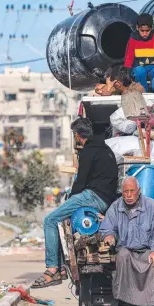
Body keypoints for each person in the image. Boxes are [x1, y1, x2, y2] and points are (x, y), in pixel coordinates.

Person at [32, 118, 118, 289]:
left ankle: (52, 269)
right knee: (63, 222)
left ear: (78, 135)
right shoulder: (106, 149)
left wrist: (70, 198)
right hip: (105, 200)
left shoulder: (88, 150)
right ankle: (62, 269)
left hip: (91, 196)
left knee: (50, 220)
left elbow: (80, 182)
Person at [99, 177, 154, 306]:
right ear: (122, 193)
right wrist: (109, 235)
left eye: (132, 191)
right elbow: (107, 227)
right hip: (126, 250)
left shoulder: (153, 207)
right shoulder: (115, 207)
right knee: (122, 256)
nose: (129, 195)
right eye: (125, 192)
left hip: (147, 251)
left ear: (139, 191)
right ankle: (119, 300)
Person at [124, 13, 154, 92]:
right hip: (139, 67)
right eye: (142, 31)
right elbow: (129, 57)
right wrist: (128, 71)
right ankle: (144, 92)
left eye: (147, 31)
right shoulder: (133, 39)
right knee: (140, 71)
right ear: (137, 28)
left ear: (151, 28)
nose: (144, 33)